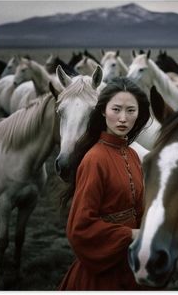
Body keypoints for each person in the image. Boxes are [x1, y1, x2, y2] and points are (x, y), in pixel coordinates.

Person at [58, 77, 151, 290]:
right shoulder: (94, 159)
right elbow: (80, 227)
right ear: (102, 111)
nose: (123, 119)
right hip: (102, 270)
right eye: (116, 109)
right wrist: (131, 234)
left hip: (132, 261)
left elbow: (139, 209)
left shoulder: (132, 155)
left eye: (131, 111)